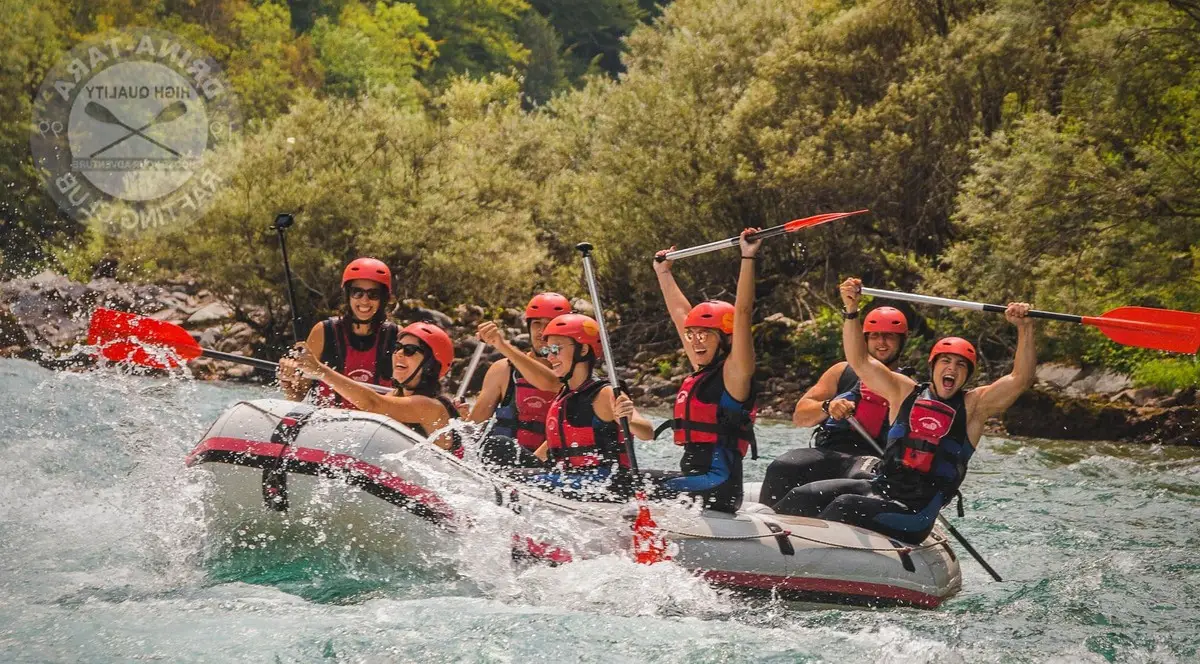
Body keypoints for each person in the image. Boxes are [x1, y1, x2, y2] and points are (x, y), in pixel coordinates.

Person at [772, 277, 1036, 544]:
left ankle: (805, 559)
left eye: (960, 365)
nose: (952, 369)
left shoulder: (974, 407)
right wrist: (851, 310)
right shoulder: (904, 391)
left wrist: (1024, 328)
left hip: (914, 512)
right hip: (880, 488)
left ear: (968, 375)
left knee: (843, 506)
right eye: (945, 361)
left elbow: (1020, 379)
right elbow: (859, 360)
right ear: (932, 366)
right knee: (803, 496)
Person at [620, 228, 760, 513]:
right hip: (696, 481)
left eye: (705, 335)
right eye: (692, 334)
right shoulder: (702, 369)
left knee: (633, 484)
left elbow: (743, 313)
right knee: (626, 481)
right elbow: (680, 315)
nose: (696, 341)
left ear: (727, 339)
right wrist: (663, 273)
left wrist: (747, 257)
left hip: (717, 487)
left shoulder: (736, 373)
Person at [478, 313, 650, 501]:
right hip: (568, 480)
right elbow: (550, 451)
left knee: (511, 477)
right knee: (499, 447)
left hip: (606, 483)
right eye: (548, 350)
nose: (550, 357)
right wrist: (525, 469)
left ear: (583, 350)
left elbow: (647, 432)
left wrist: (629, 420)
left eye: (556, 349)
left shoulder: (604, 393)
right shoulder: (563, 397)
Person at [757, 306, 910, 505]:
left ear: (902, 340)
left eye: (889, 336)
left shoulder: (907, 387)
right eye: (875, 336)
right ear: (865, 339)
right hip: (830, 452)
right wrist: (828, 406)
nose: (881, 342)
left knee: (859, 479)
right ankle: (767, 516)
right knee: (782, 466)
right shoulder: (842, 372)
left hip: (871, 459)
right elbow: (800, 417)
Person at [293, 320, 463, 453]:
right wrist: (291, 390)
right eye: (397, 347)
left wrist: (320, 370)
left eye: (410, 350)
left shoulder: (431, 407)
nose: (399, 354)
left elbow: (372, 403)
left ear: (430, 366)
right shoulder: (392, 398)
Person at [467, 293, 572, 467]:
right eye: (537, 324)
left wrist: (501, 345)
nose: (542, 332)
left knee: (499, 445)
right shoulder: (503, 370)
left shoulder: (573, 375)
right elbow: (472, 428)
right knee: (497, 445)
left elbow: (551, 382)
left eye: (549, 324)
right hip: (501, 464)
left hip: (544, 471)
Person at [278, 258, 399, 408]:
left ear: (383, 298)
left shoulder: (397, 337)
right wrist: (287, 382)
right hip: (330, 418)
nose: (365, 300)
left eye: (373, 294)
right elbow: (298, 395)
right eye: (357, 292)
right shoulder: (323, 332)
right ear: (348, 295)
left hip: (377, 421)